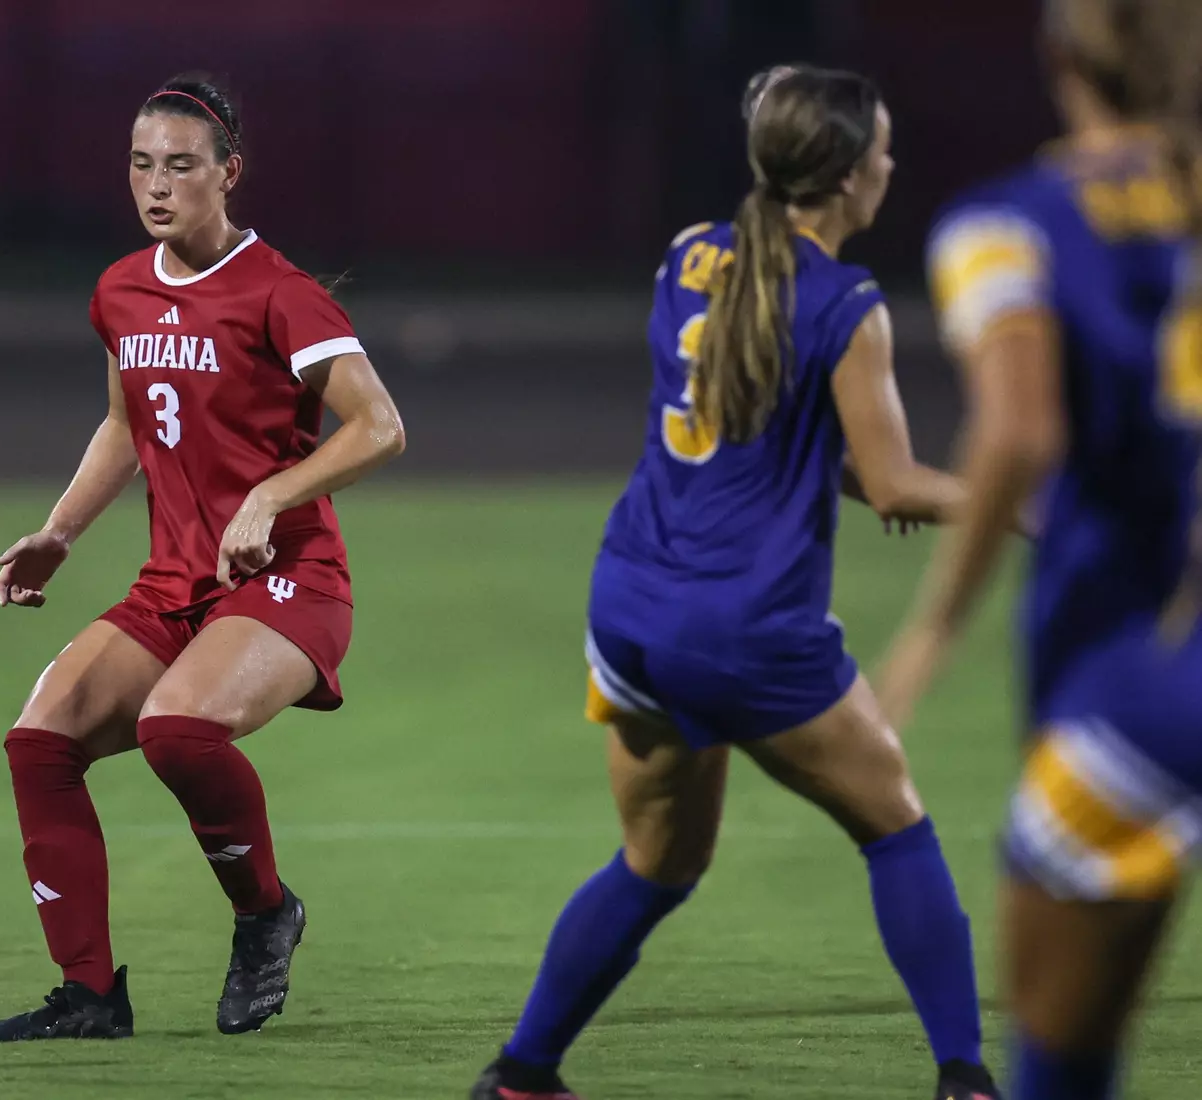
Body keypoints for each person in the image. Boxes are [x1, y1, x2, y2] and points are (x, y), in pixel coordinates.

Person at [471, 66, 1003, 1100]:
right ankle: (967, 1079)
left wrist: (847, 471)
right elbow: (890, 477)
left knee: (658, 859)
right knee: (895, 823)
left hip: (629, 608)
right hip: (743, 624)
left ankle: (522, 1072)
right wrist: (1010, 499)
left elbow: (743, 437)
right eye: (881, 150)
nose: (892, 164)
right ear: (849, 177)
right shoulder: (848, 302)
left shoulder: (692, 255)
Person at [0, 73, 405, 1042]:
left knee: (177, 727)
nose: (156, 185)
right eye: (140, 165)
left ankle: (264, 914)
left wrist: (271, 494)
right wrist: (60, 532)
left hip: (291, 581)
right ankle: (89, 994)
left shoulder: (277, 293)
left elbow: (380, 426)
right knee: (40, 739)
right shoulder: (121, 289)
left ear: (229, 172)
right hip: (178, 583)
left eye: (180, 165)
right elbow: (126, 423)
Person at [879, 2, 1202, 1096]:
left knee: (1061, 1066)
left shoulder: (1005, 224)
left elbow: (1021, 431)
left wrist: (929, 631)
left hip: (1142, 687)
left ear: (1060, 55)